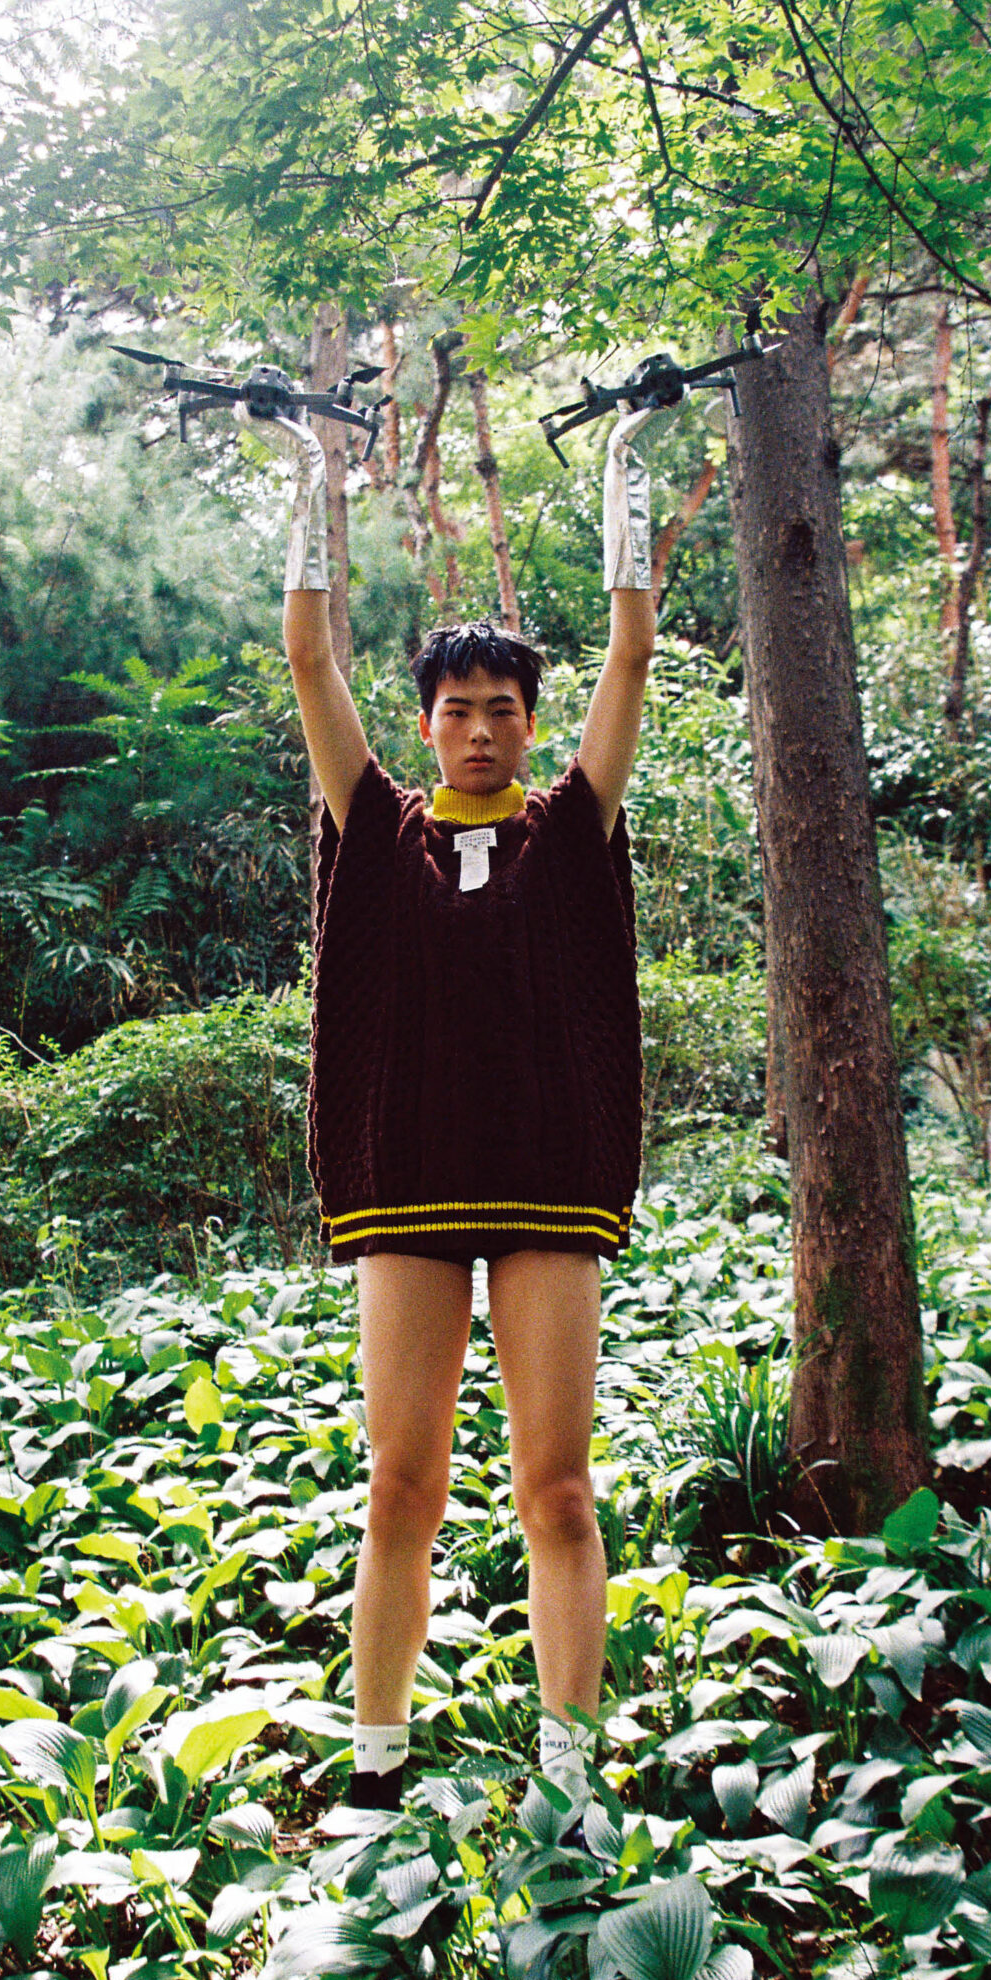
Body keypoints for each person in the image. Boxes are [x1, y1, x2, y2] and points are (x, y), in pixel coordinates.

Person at [248, 385, 662, 1811]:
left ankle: (572, 1774)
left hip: (549, 1181)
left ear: (529, 723)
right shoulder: (376, 826)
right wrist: (308, 472)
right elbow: (309, 655)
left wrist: (627, 462)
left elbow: (633, 649)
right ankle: (375, 1769)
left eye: (502, 709)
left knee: (558, 1489)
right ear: (426, 723)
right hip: (408, 1184)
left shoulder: (572, 827)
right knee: (401, 1488)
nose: (480, 728)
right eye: (457, 709)